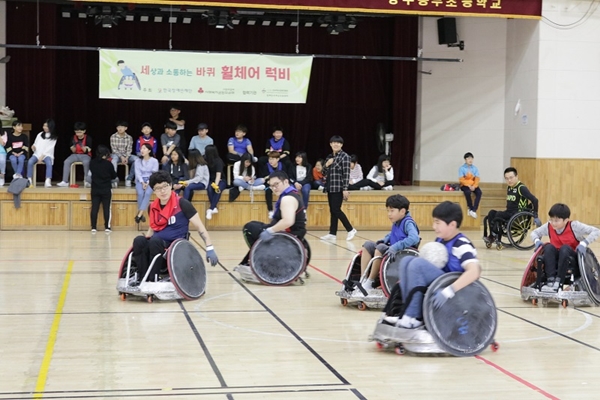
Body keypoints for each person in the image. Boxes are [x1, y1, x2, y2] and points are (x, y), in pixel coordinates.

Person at [383, 201, 481, 329]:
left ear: (452, 225)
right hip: (438, 283)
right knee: (406, 261)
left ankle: (414, 317)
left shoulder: (461, 244)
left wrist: (449, 290)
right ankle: (406, 312)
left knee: (417, 264)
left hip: (455, 292)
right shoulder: (440, 241)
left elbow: (475, 272)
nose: (434, 226)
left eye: (437, 222)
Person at [130, 170, 218, 286]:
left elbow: (199, 226)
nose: (162, 191)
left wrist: (209, 247)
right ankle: (141, 278)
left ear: (171, 186)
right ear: (154, 191)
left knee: (155, 242)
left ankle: (153, 279)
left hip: (175, 248)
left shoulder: (183, 204)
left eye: (165, 186)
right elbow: (152, 228)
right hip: (156, 244)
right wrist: (145, 241)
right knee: (139, 240)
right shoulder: (152, 207)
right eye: (158, 188)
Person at [237, 170, 306, 267]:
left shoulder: (288, 199)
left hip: (287, 237)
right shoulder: (291, 194)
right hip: (287, 234)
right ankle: (249, 261)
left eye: (276, 184)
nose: (274, 188)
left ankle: (261, 261)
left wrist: (270, 230)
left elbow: (288, 221)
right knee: (255, 225)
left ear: (286, 182)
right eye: (271, 186)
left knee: (249, 228)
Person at [356, 194, 420, 295]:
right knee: (367, 245)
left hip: (401, 253)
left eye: (392, 211)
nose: (389, 214)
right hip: (392, 250)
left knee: (380, 248)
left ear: (402, 211)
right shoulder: (397, 221)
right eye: (388, 211)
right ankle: (363, 279)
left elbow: (414, 238)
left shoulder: (408, 222)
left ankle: (370, 281)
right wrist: (385, 239)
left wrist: (396, 246)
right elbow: (393, 234)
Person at [530, 203, 600, 292]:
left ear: (566, 220)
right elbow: (534, 233)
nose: (553, 223)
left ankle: (558, 281)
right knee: (548, 247)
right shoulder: (548, 226)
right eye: (551, 220)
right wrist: (537, 241)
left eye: (556, 221)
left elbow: (596, 231)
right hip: (556, 261)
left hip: (572, 261)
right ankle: (550, 280)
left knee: (565, 248)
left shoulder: (574, 226)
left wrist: (584, 243)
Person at [483, 167, 541, 246]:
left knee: (499, 215)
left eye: (511, 178)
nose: (509, 180)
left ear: (516, 176)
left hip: (517, 215)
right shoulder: (509, 187)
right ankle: (492, 235)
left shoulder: (521, 188)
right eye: (506, 178)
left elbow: (535, 200)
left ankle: (493, 235)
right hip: (509, 212)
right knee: (491, 213)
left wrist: (535, 214)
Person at [320, 135, 356, 241]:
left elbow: (346, 174)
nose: (336, 144)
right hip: (330, 186)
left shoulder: (345, 157)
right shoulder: (329, 157)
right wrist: (326, 164)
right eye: (333, 142)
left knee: (336, 210)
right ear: (330, 144)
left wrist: (345, 189)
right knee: (332, 210)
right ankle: (332, 233)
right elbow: (323, 173)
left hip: (339, 187)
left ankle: (350, 229)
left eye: (338, 143)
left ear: (341, 145)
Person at [89, 145, 117, 233]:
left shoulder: (92, 162)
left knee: (94, 208)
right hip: (106, 189)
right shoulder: (108, 164)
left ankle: (93, 227)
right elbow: (114, 176)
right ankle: (107, 227)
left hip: (95, 188)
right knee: (107, 208)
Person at [57, 122, 92, 188]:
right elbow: (73, 150)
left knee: (86, 162)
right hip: (75, 155)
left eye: (79, 132)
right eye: (76, 132)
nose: (78, 134)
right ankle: (65, 181)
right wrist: (75, 145)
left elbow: (87, 150)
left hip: (85, 155)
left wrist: (81, 145)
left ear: (84, 131)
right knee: (66, 161)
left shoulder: (88, 138)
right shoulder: (73, 138)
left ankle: (87, 181)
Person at [26, 119, 57, 188]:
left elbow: (50, 149)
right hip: (37, 154)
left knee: (49, 163)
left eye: (46, 126)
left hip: (46, 155)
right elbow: (35, 143)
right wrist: (33, 146)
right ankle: (29, 179)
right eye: (44, 125)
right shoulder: (40, 134)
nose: (44, 127)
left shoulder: (54, 137)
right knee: (30, 162)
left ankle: (48, 180)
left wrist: (42, 156)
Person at [133, 143, 159, 224]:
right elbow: (137, 173)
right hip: (140, 180)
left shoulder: (154, 161)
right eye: (141, 149)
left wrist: (147, 182)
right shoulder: (137, 161)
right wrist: (142, 182)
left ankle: (139, 214)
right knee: (140, 193)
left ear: (149, 150)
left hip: (151, 180)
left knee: (147, 193)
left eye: (144, 148)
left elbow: (154, 173)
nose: (142, 150)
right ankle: (142, 213)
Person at [259, 151, 285, 219]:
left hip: (280, 184)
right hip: (269, 184)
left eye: (272, 159)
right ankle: (270, 211)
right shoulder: (266, 166)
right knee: (268, 191)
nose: (271, 161)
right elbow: (264, 177)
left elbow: (285, 176)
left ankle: (282, 210)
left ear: (277, 159)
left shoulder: (282, 165)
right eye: (269, 159)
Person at [110, 121, 136, 187]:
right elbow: (114, 150)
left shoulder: (129, 137)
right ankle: (114, 180)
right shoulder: (113, 136)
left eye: (122, 127)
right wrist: (121, 157)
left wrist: (126, 157)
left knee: (137, 160)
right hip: (116, 155)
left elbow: (129, 149)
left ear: (126, 128)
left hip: (127, 155)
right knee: (113, 160)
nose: (120, 128)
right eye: (118, 127)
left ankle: (129, 178)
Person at [203, 144, 226, 220]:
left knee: (217, 190)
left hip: (220, 180)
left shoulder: (218, 161)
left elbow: (218, 175)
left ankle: (211, 208)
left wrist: (216, 185)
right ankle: (214, 208)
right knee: (209, 189)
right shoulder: (204, 159)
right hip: (210, 180)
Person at [459, 152, 482, 219]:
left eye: (471, 158)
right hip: (465, 185)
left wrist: (474, 186)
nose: (470, 160)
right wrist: (469, 185)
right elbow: (461, 179)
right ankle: (470, 207)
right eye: (468, 158)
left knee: (479, 192)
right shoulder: (462, 168)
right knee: (467, 192)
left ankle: (474, 210)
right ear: (465, 160)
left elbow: (477, 179)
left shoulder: (475, 168)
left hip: (473, 185)